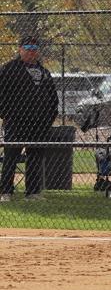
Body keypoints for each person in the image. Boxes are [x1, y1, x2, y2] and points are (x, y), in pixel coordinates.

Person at [0, 37, 59, 201]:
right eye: (27, 47)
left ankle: (32, 192)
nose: (31, 51)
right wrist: (7, 114)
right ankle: (5, 192)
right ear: (20, 49)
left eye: (34, 48)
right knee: (11, 156)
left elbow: (53, 98)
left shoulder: (44, 72)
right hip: (16, 122)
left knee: (35, 156)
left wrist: (49, 117)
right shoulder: (8, 69)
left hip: (39, 123)